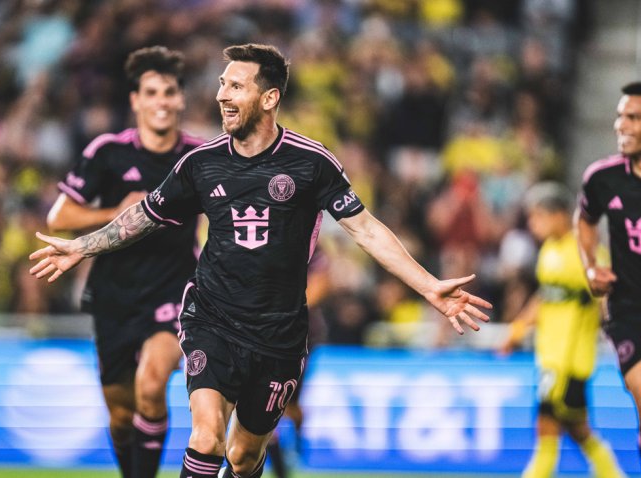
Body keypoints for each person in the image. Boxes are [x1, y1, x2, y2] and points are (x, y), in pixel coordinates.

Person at [30, 43, 491, 478]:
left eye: (235, 86)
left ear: (269, 98)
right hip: (211, 318)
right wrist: (81, 246)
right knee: (206, 437)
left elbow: (365, 228)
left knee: (244, 455)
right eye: (221, 85)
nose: (222, 96)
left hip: (279, 335)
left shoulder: (312, 163)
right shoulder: (200, 163)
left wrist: (429, 285)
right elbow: (143, 215)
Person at [46, 46, 204, 478]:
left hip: (175, 289)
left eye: (169, 92)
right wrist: (120, 211)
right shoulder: (108, 151)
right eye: (151, 92)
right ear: (135, 100)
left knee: (151, 384)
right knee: (121, 415)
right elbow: (59, 216)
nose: (161, 101)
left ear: (181, 99)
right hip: (115, 292)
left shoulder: (200, 157)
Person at [500, 182, 624, 478]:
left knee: (546, 428)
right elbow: (545, 296)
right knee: (576, 429)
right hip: (550, 355)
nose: (533, 224)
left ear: (558, 215)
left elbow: (607, 297)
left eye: (537, 216)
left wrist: (618, 335)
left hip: (571, 359)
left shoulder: (587, 252)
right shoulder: (549, 250)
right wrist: (517, 330)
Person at [576, 81, 641, 478]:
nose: (620, 125)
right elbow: (586, 221)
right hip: (630, 310)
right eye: (619, 116)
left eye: (633, 117)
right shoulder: (602, 177)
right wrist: (591, 266)